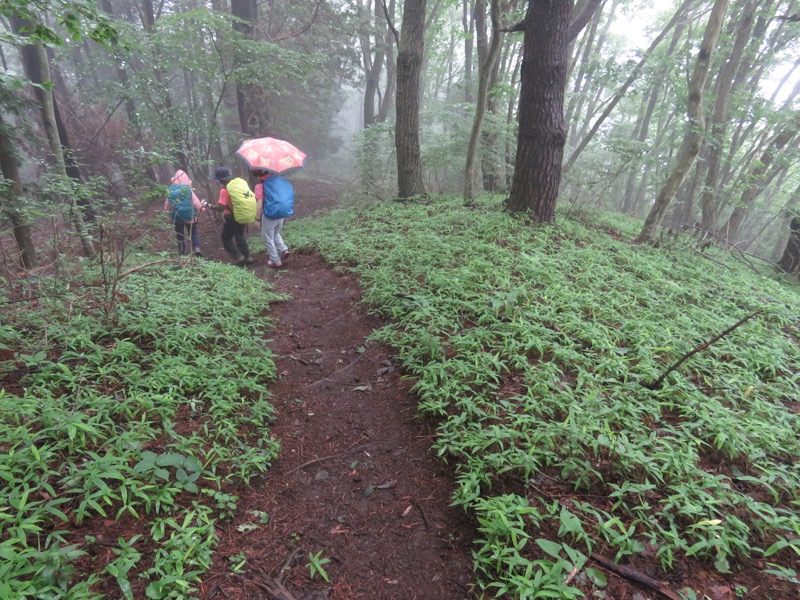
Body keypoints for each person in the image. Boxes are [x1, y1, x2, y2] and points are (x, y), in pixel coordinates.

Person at [205, 166, 254, 265]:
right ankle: (247, 256)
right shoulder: (237, 187)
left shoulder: (224, 190)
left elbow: (221, 207)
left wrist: (208, 205)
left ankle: (238, 257)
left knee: (225, 237)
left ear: (220, 180)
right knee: (240, 236)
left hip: (231, 217)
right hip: (241, 214)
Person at [254, 169, 293, 268]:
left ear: (257, 176)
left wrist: (257, 219)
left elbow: (259, 205)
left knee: (268, 238)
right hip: (281, 213)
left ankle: (275, 261)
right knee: (275, 233)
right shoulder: (278, 180)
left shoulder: (260, 186)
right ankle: (284, 249)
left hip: (269, 215)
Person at [164, 169, 204, 257]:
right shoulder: (188, 190)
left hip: (177, 217)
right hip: (190, 217)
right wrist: (202, 208)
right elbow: (197, 204)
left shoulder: (170, 191)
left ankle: (182, 252)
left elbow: (167, 207)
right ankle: (197, 248)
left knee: (180, 235)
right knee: (193, 233)